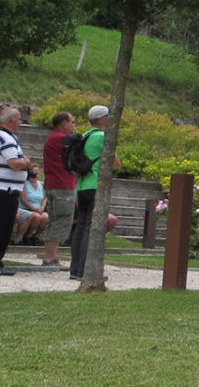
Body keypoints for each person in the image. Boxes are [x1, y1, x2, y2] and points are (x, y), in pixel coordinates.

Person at [69, 105, 120, 281]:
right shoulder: (102, 136)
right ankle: (86, 270)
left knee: (81, 228)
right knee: (91, 228)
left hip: (82, 186)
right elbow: (115, 164)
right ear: (101, 119)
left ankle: (75, 269)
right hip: (96, 185)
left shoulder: (85, 135)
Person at [0, 107, 32, 275]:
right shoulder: (5, 137)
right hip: (5, 189)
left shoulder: (2, 137)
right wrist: (26, 162)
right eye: (18, 119)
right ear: (10, 120)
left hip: (2, 187)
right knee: (2, 226)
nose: (20, 122)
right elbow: (14, 163)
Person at [39, 110, 77, 268]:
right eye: (72, 122)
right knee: (61, 221)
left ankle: (50, 256)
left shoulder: (52, 138)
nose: (74, 125)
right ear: (64, 123)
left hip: (54, 184)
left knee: (54, 220)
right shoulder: (60, 139)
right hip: (62, 186)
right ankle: (50, 258)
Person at [15, 168, 49, 244]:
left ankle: (35, 236)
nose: (37, 173)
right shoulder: (24, 184)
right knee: (36, 217)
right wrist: (33, 208)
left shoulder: (42, 184)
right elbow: (23, 198)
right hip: (27, 207)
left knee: (45, 218)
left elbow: (45, 198)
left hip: (39, 208)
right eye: (35, 171)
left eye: (37, 171)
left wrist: (42, 207)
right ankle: (26, 236)